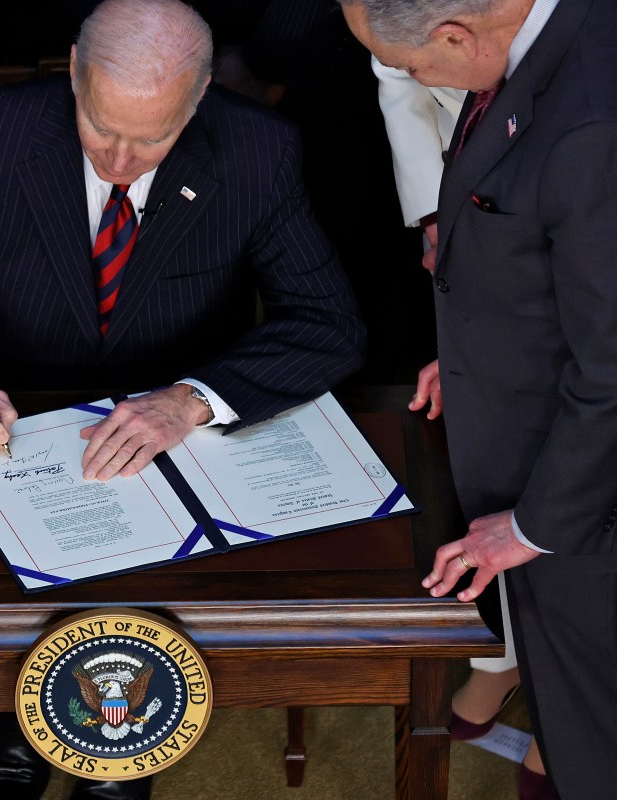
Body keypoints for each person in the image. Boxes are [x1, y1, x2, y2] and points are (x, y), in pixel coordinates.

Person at [0, 1, 365, 796]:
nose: (120, 160)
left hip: (168, 450)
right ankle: (1, 730)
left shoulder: (257, 149)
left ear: (201, 96)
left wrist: (190, 400)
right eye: (101, 127)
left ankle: (112, 759)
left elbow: (330, 326)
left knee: (158, 614)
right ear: (75, 70)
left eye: (153, 138)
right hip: (6, 432)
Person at [340, 1, 617, 798]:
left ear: (456, 35)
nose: (415, 83)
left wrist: (534, 527)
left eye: (415, 67)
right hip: (533, 420)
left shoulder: (591, 128)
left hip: (586, 513)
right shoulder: (556, 36)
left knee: (595, 738)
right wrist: (471, 350)